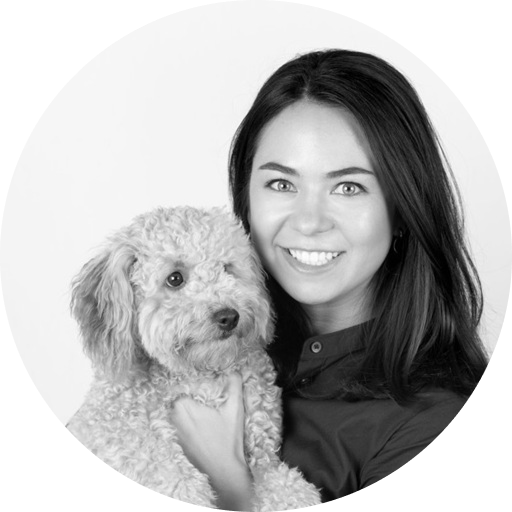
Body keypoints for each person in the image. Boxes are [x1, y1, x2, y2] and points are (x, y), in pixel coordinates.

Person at [170, 49, 489, 508]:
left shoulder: (431, 422)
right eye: (282, 184)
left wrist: (230, 482)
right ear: (246, 199)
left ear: (402, 209)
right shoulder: (199, 348)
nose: (309, 221)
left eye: (348, 187)